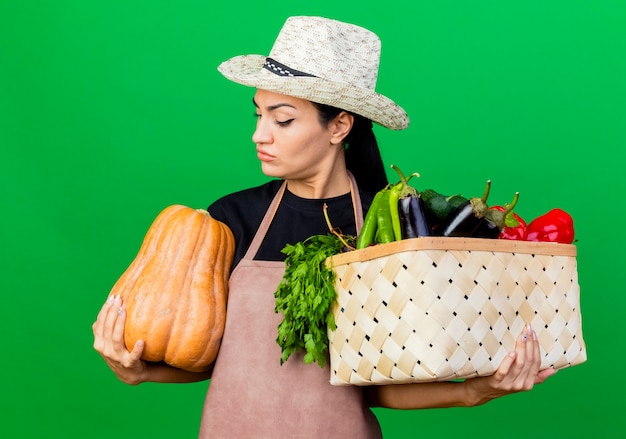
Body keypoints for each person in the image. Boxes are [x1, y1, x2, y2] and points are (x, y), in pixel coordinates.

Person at [92, 16, 557, 438]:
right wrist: (141, 370)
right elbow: (214, 356)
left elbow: (380, 386)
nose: (260, 134)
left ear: (339, 126)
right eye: (258, 114)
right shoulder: (229, 220)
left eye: (283, 119)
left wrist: (476, 390)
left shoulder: (391, 227)